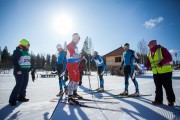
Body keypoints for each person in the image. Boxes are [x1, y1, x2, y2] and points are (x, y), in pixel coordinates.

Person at [145, 40, 175, 106]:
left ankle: (171, 101)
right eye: (148, 46)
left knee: (168, 87)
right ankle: (158, 100)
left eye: (149, 45)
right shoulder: (149, 54)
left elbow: (170, 58)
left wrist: (161, 63)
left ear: (153, 45)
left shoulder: (162, 49)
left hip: (166, 72)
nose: (149, 47)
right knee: (158, 87)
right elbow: (149, 64)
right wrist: (146, 66)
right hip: (156, 73)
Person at [9, 39, 31, 106]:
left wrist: (30, 68)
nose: (29, 46)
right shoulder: (18, 50)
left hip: (25, 71)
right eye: (28, 45)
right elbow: (14, 60)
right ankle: (12, 100)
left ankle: (21, 97)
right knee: (19, 85)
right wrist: (18, 69)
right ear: (24, 44)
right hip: (19, 71)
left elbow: (27, 61)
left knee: (24, 84)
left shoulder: (27, 52)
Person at [66, 33, 82, 104]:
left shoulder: (76, 46)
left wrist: (80, 57)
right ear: (74, 38)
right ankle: (70, 97)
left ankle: (74, 93)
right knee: (72, 80)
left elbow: (76, 56)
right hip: (70, 64)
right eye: (78, 38)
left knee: (77, 79)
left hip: (75, 64)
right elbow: (73, 54)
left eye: (79, 39)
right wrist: (79, 56)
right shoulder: (70, 45)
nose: (79, 40)